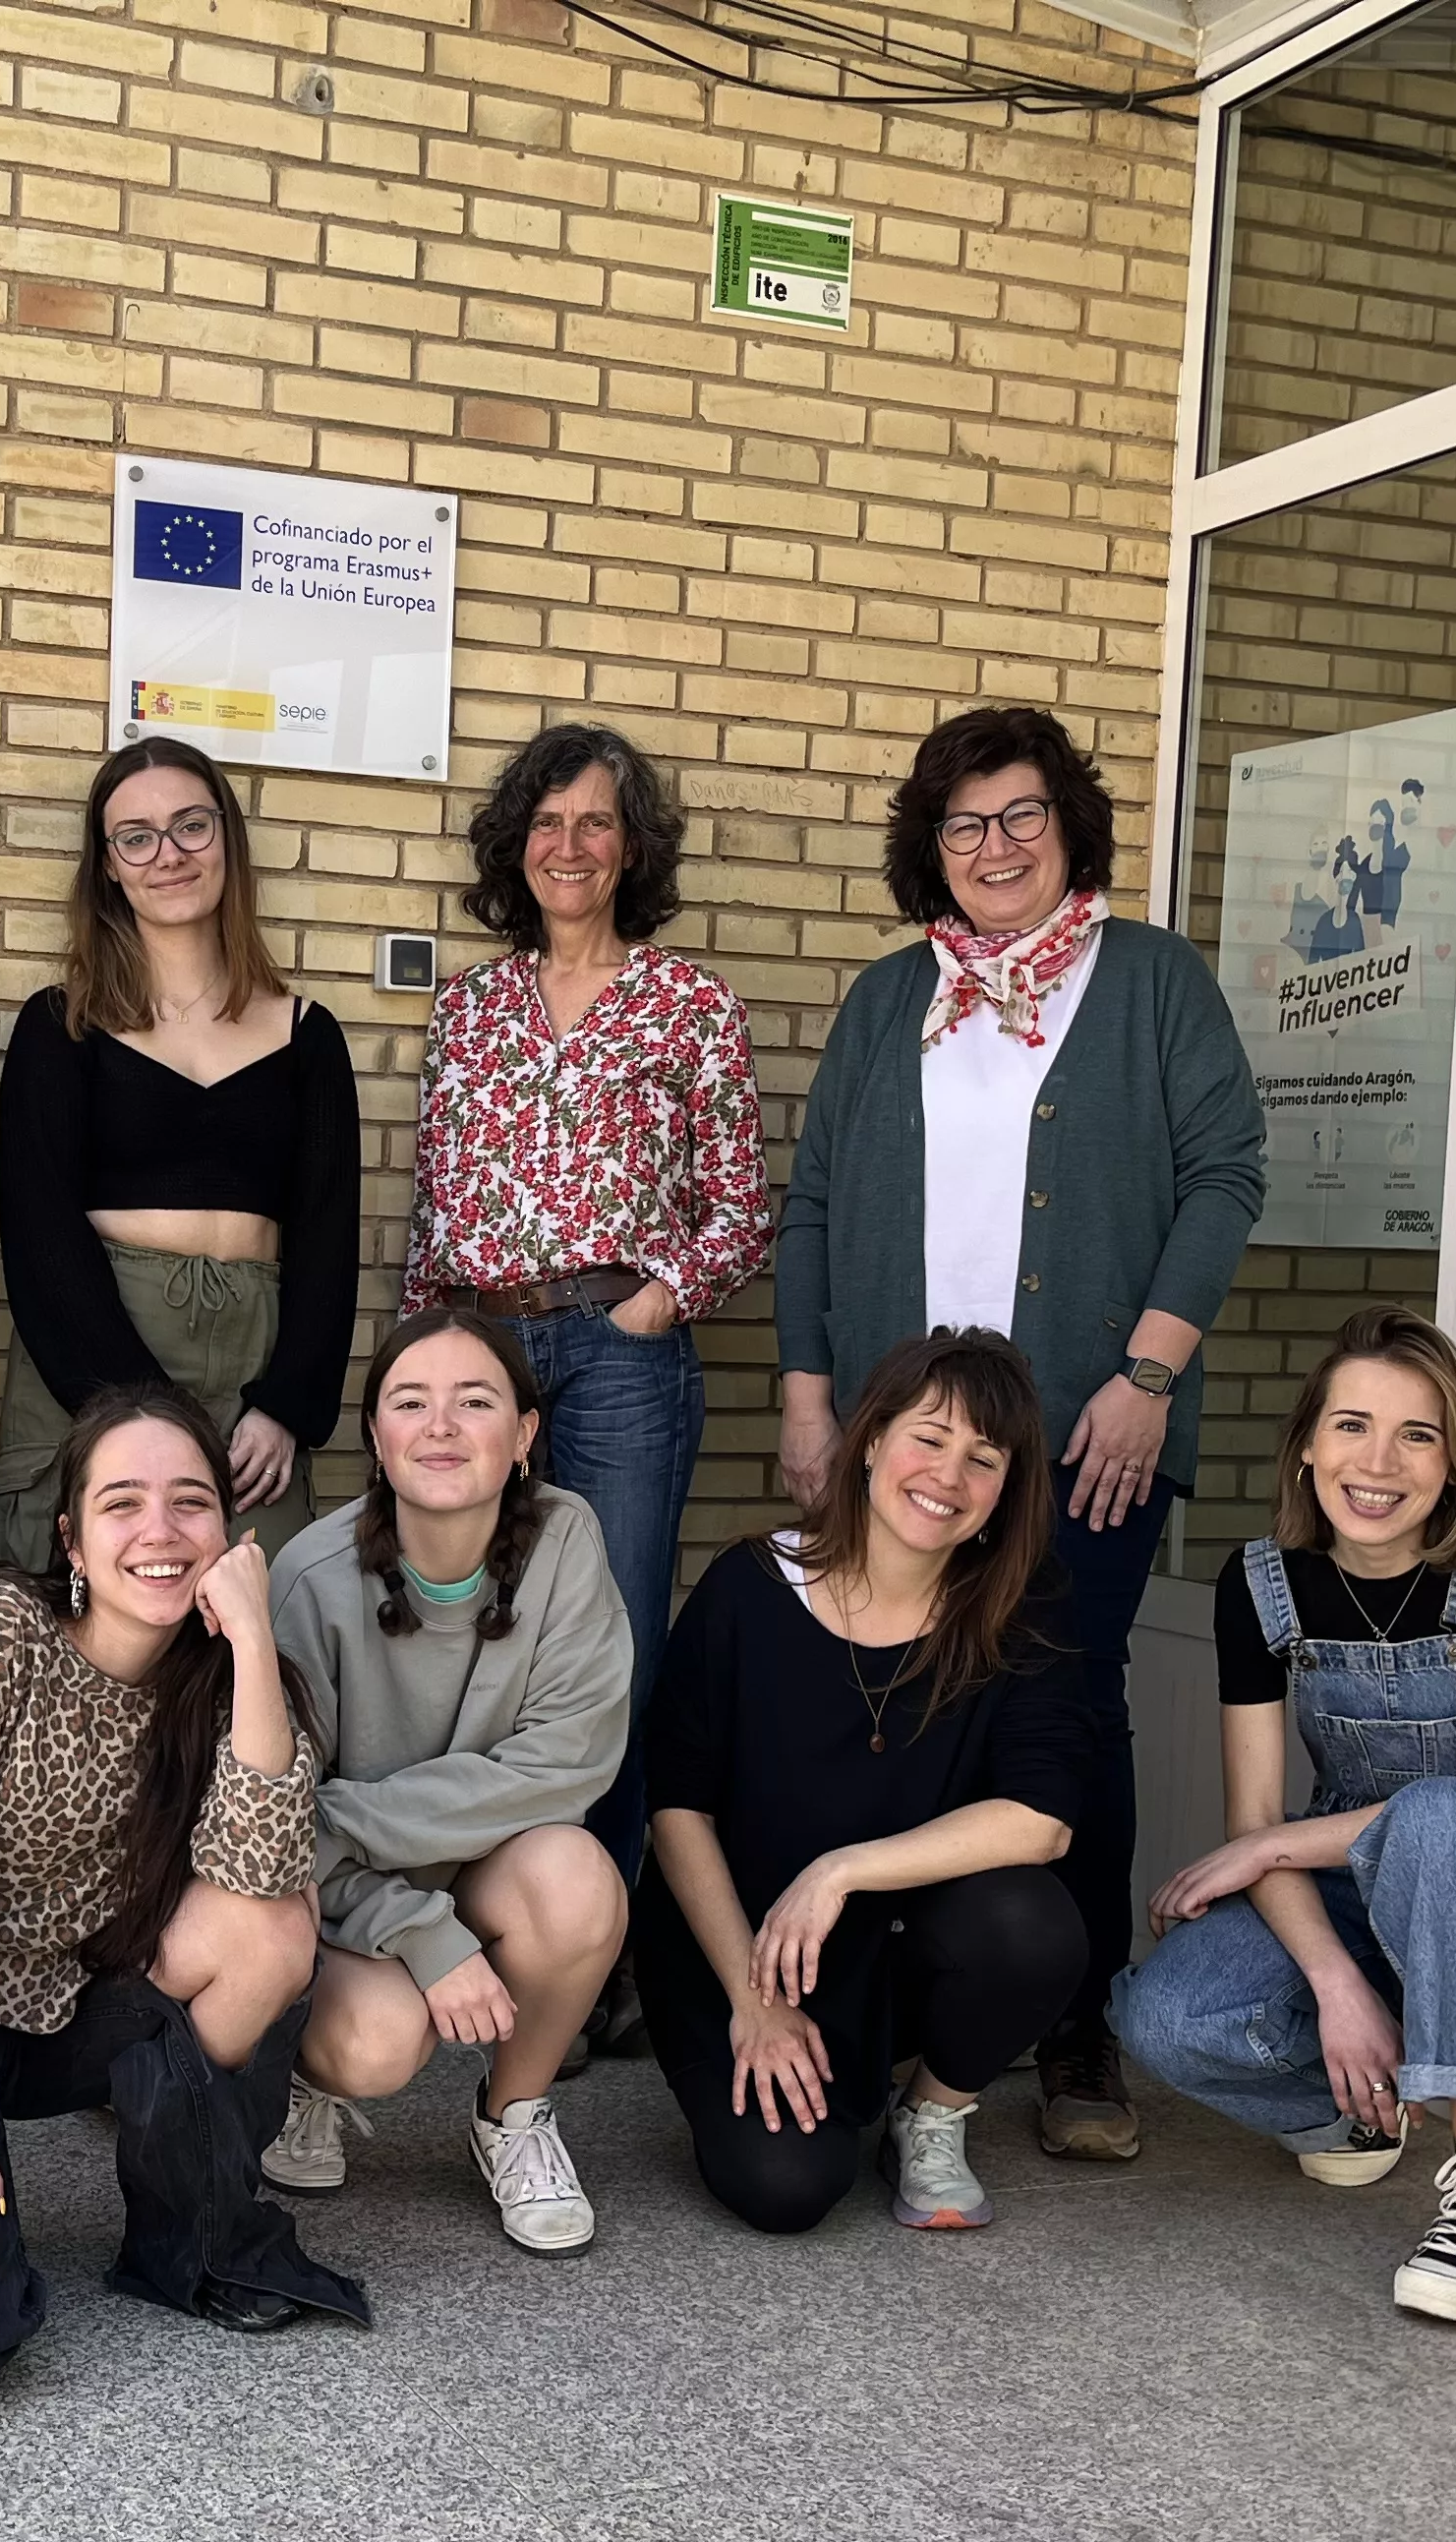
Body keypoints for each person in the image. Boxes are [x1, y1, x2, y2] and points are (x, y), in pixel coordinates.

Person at [772, 704, 1266, 2164]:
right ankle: (898, 1986)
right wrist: (810, 1397)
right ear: (932, 846)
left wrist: (1149, 1373)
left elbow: (1225, 1172)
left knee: (1067, 1712)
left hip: (1088, 1431)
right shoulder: (888, 1002)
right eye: (965, 823)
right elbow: (810, 1207)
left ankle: (1074, 2021)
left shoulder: (1154, 981)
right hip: (902, 1434)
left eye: (1022, 817)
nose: (994, 848)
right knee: (893, 1694)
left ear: (1070, 830)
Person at [0, 1386, 365, 2406]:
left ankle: (183, 2240)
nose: (160, 1531)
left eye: (191, 1503)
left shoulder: (231, 1684)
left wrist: (245, 1641)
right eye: (123, 1504)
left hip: (63, 2004)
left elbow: (265, 1871)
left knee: (274, 1926)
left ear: (229, 1531)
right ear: (72, 1536)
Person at [1117, 1305, 1456, 2328]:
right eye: (1351, 1425)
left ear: (1455, 1462)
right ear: (1303, 1449)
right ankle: (1358, 2111)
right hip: (1347, 1900)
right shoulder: (1260, 1585)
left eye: (1418, 1434)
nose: (1378, 1461)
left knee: (1442, 1817)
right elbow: (1252, 1815)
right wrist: (1335, 1983)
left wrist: (1273, 1841)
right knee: (1163, 2018)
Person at [404, 723, 772, 2044]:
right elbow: (432, 1204)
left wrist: (660, 1299)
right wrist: (419, 1367)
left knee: (608, 1639)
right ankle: (473, 1916)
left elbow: (739, 1206)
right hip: (483, 1356)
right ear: (518, 847)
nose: (569, 847)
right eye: (547, 824)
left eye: (596, 823)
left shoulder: (689, 1005)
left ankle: (599, 1939)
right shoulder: (469, 1007)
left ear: (633, 849)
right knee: (467, 1625)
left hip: (618, 1353)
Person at [641, 1330, 1090, 2239]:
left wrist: (840, 1870)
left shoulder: (1017, 1606)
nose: (948, 1477)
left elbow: (1043, 1821)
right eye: (929, 1437)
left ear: (1006, 1492)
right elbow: (675, 1806)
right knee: (786, 2190)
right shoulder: (748, 1589)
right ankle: (800, 2073)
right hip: (740, 1951)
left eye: (983, 1458)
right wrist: (752, 1999)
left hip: (898, 1943)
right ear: (873, 1440)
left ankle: (932, 2109)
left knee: (1030, 1924)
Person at [264, 1309, 634, 2255]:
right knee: (378, 2043)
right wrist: (420, 1931)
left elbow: (571, 1760)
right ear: (377, 1439)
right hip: (343, 1895)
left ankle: (513, 2118)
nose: (441, 1426)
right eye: (410, 1402)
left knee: (579, 1881)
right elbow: (278, 1832)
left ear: (522, 1436)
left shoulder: (564, 1542)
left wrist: (351, 1820)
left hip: (465, 1863)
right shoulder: (310, 1578)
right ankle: (300, 2083)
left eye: (475, 1402)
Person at [0, 738, 358, 1565]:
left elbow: (329, 1240)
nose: (169, 855)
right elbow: (40, 1235)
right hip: (93, 1354)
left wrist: (288, 1405)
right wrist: (137, 1411)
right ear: (109, 865)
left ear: (227, 838)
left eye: (192, 825)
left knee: (258, 1636)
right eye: (137, 836)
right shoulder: (62, 1026)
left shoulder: (307, 1036)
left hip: (255, 1372)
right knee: (94, 1627)